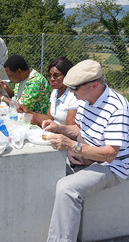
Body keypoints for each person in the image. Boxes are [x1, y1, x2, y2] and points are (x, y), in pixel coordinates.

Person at [42, 59, 129, 242]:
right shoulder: (86, 99)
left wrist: (72, 146)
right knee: (43, 173)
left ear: (94, 85)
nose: (71, 93)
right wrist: (59, 128)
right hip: (86, 154)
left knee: (67, 188)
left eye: (74, 89)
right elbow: (80, 130)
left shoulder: (117, 108)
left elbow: (110, 154)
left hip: (112, 166)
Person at [18, 57, 79, 126]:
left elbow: (69, 129)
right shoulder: (55, 92)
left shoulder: (73, 96)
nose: (52, 79)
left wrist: (37, 119)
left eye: (56, 75)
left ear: (67, 75)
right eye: (49, 75)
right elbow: (49, 118)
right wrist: (29, 112)